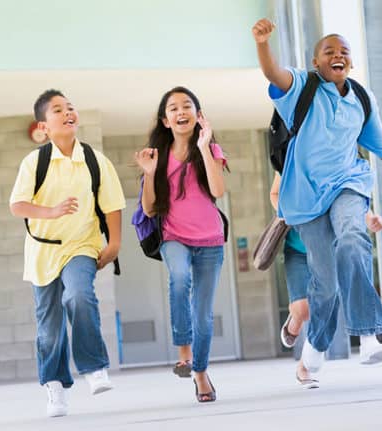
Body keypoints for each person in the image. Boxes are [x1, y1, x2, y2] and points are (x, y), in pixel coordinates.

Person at [252, 19, 382, 377]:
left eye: (344, 53)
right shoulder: (301, 88)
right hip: (306, 198)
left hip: (348, 183)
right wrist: (263, 44)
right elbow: (273, 73)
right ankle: (316, 347)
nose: (337, 56)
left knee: (353, 240)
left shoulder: (361, 99)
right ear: (316, 62)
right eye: (329, 52)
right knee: (324, 283)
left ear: (350, 63)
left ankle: (369, 335)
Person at [9, 89, 125, 417]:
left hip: (81, 245)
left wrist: (113, 243)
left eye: (70, 107)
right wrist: (51, 212)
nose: (67, 113)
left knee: (78, 295)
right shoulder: (34, 162)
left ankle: (94, 367)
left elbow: (113, 205)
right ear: (43, 126)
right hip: (43, 252)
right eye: (58, 110)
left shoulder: (95, 160)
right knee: (49, 325)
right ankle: (55, 387)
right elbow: (17, 205)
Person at [134, 87, 227, 403]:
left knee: (203, 315)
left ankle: (200, 373)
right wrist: (148, 174)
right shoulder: (157, 157)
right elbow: (149, 209)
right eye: (173, 108)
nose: (180, 111)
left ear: (198, 115)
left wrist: (204, 147)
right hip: (174, 237)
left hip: (211, 241)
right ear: (165, 120)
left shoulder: (210, 149)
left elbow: (217, 190)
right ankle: (183, 350)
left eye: (187, 105)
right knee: (179, 278)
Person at [270, 174, 382, 388]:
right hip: (298, 251)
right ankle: (294, 322)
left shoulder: (334, 160)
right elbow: (275, 193)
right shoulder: (291, 155)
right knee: (304, 310)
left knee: (327, 296)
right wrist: (288, 213)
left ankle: (304, 366)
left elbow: (349, 194)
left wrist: (368, 217)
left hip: (328, 249)